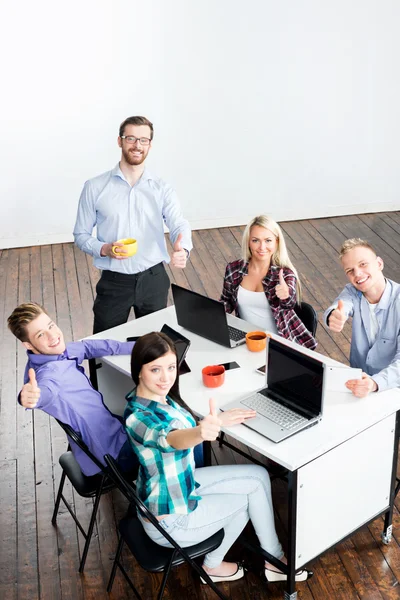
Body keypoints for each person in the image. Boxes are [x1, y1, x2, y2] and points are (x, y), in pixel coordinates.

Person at [124, 332, 309, 584]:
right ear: (139, 371)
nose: (166, 377)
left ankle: (272, 560)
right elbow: (169, 438)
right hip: (170, 520)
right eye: (155, 370)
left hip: (182, 487)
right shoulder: (138, 418)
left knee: (258, 476)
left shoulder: (158, 399)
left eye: (170, 367)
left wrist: (218, 421)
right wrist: (201, 432)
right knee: (248, 500)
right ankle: (215, 566)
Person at [73, 115, 192, 333]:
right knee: (102, 349)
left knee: (155, 348)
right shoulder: (94, 187)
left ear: (150, 145)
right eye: (131, 138)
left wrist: (182, 248)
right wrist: (105, 249)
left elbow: (178, 224)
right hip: (114, 282)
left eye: (143, 140)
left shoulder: (162, 188)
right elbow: (81, 234)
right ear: (120, 141)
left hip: (154, 279)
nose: (137, 145)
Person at [7, 302, 138, 476]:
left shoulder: (56, 353)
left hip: (110, 431)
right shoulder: (50, 375)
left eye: (51, 326)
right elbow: (44, 393)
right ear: (28, 345)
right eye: (40, 335)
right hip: (112, 457)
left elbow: (87, 347)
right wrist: (28, 397)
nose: (53, 336)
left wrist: (138, 346)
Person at [220, 215, 317, 349]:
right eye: (255, 240)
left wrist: (286, 295)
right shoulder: (234, 269)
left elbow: (289, 303)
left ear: (276, 242)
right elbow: (226, 303)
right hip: (247, 342)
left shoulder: (285, 274)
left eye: (268, 240)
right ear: (248, 242)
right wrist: (205, 312)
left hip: (279, 346)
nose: (262, 247)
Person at [324, 238, 400, 398]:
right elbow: (341, 305)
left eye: (363, 264)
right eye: (350, 271)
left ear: (379, 264)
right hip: (359, 385)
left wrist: (374, 383)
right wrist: (334, 316)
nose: (357, 274)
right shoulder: (352, 291)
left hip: (392, 388)